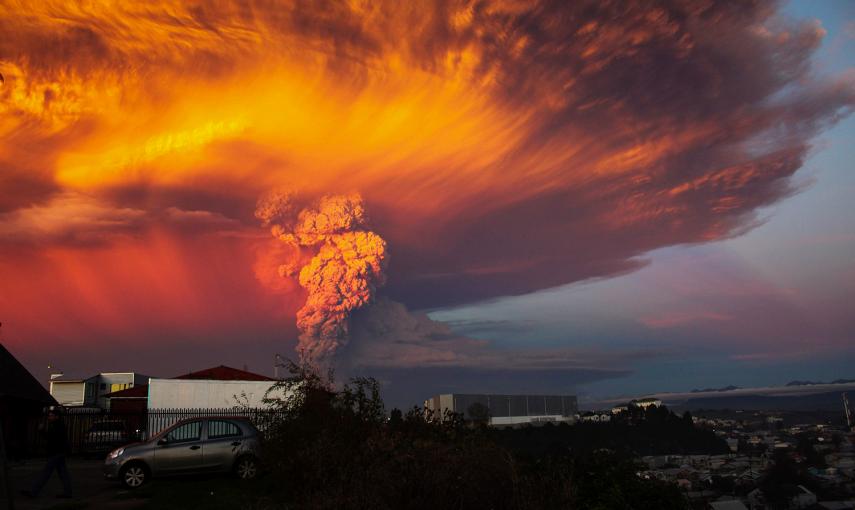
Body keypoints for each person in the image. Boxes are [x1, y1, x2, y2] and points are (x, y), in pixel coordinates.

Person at [21, 407, 72, 499]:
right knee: (63, 474)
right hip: (59, 452)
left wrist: (42, 431)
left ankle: (34, 492)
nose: (49, 417)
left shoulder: (58, 426)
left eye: (51, 416)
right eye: (49, 416)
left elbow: (51, 438)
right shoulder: (57, 425)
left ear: (57, 417)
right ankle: (68, 492)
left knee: (46, 473)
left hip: (56, 452)